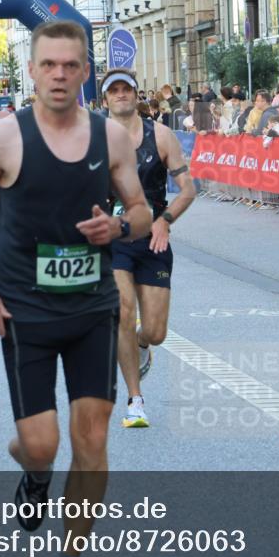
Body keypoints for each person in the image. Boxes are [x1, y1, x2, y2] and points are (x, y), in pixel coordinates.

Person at [0, 20, 152, 557]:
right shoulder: (3, 137)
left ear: (85, 72)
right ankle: (33, 471)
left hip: (92, 308)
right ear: (33, 71)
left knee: (91, 440)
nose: (60, 75)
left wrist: (118, 226)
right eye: (49, 65)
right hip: (25, 311)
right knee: (42, 445)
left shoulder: (111, 138)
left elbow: (143, 212)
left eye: (71, 65)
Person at [102, 68, 197, 428]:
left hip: (153, 240)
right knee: (123, 313)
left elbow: (188, 189)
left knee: (155, 332)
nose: (121, 95)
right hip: (113, 242)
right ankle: (135, 400)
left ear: (136, 94)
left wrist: (165, 220)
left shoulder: (160, 135)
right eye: (115, 91)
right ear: (106, 98)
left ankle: (142, 345)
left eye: (127, 89)